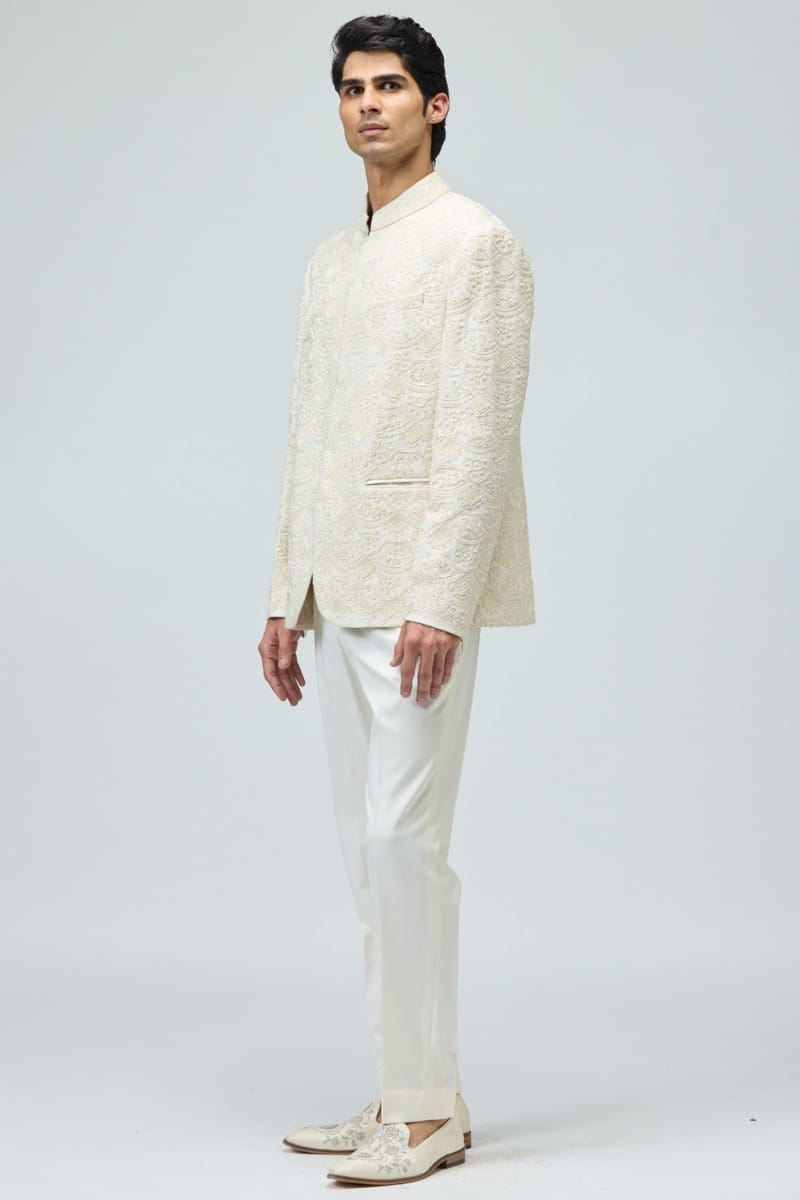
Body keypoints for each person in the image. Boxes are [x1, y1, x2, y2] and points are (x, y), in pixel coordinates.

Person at [257, 14, 535, 1187]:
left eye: (390, 85)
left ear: (436, 105)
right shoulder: (331, 258)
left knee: (400, 840)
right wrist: (285, 594)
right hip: (337, 587)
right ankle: (402, 1090)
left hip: (419, 593)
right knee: (365, 854)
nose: (368, 103)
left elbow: (478, 434)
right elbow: (308, 435)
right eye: (351, 87)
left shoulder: (476, 244)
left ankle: (425, 1117)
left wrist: (443, 596)